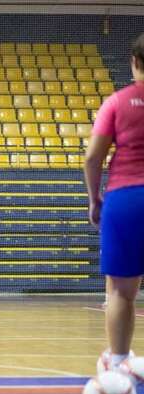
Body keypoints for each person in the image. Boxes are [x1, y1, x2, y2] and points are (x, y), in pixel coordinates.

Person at [84, 33, 144, 371]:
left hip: (127, 198)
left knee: (120, 291)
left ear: (135, 62)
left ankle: (119, 365)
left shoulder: (118, 102)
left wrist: (95, 200)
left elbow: (93, 158)